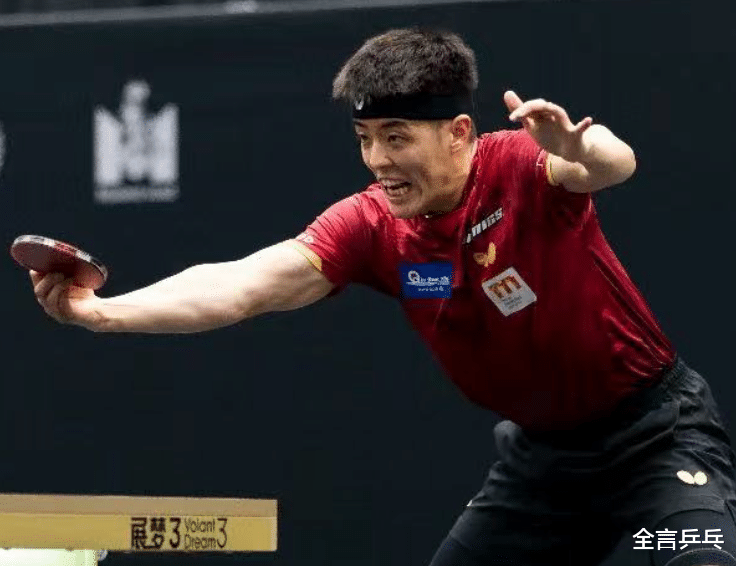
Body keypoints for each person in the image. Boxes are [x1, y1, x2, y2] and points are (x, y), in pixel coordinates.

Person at [31, 28, 736, 566]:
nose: (378, 161)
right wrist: (103, 314)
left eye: (396, 137)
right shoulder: (370, 225)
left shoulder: (521, 164)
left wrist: (579, 149)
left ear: (459, 133)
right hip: (542, 470)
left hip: (655, 440)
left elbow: (611, 163)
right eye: (366, 138)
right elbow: (238, 285)